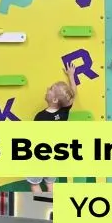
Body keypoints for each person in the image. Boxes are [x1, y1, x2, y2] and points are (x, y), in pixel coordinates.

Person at [27, 61, 77, 193]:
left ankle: (40, 205)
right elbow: (73, 94)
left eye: (51, 90)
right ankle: (52, 206)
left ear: (54, 100)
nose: (48, 88)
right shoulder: (64, 112)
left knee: (34, 184)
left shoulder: (40, 117)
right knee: (50, 184)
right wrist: (71, 76)